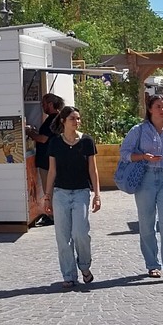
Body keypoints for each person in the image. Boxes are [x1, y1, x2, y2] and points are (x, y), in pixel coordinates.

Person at [119, 95, 163, 284]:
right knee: (147, 223)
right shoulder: (138, 130)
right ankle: (152, 264)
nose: (162, 110)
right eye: (158, 106)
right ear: (150, 109)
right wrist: (143, 157)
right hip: (145, 179)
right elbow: (124, 153)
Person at [43, 106, 100, 289]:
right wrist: (47, 196)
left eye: (78, 118)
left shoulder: (87, 141)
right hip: (60, 193)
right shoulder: (55, 143)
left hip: (81, 192)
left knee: (80, 233)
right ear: (63, 121)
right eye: (72, 119)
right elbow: (52, 171)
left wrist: (97, 195)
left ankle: (84, 266)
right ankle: (69, 275)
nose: (76, 122)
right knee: (62, 237)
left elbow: (93, 170)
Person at [26, 93, 65, 227]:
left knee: (49, 188)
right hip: (50, 159)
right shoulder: (56, 119)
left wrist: (29, 133)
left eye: (44, 104)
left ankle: (52, 215)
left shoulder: (54, 119)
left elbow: (43, 138)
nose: (42, 107)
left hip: (47, 160)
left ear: (50, 104)